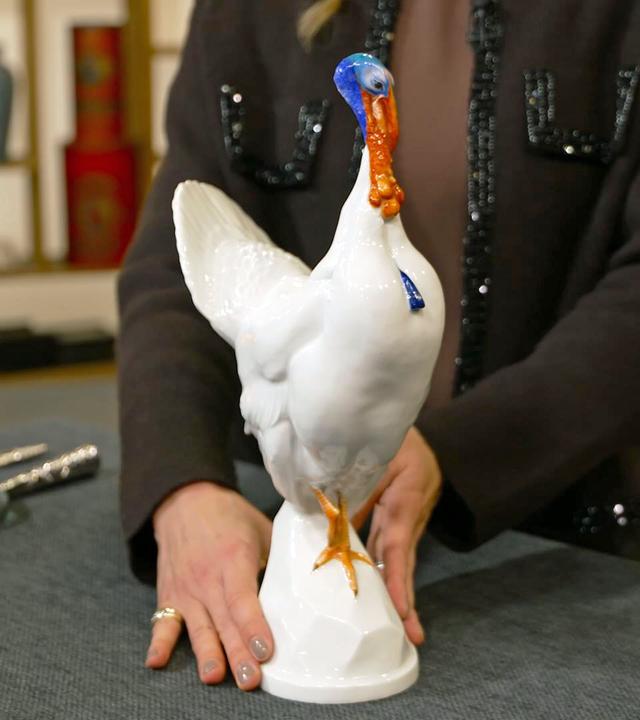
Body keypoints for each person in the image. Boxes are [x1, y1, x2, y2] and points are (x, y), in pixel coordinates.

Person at [118, 0, 640, 692]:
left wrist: (460, 448)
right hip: (276, 522)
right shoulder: (242, 12)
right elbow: (171, 272)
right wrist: (184, 486)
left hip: (554, 550)